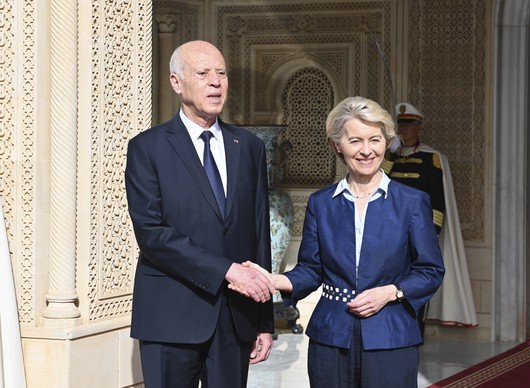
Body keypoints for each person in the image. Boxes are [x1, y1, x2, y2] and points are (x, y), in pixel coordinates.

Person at [232, 96, 445, 387]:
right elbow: (311, 269)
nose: (366, 150)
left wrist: (391, 292)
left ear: (387, 142)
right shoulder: (322, 203)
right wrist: (275, 280)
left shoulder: (412, 202)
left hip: (391, 335)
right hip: (331, 336)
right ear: (337, 145)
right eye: (355, 140)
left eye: (375, 139)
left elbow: (430, 270)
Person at [125, 40, 275, 388]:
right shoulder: (148, 148)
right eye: (203, 73)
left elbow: (258, 233)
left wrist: (264, 320)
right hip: (169, 316)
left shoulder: (249, 147)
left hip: (235, 318)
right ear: (176, 82)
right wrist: (226, 270)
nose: (216, 82)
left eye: (221, 73)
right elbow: (151, 233)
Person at [382, 102, 478, 330]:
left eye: (407, 125)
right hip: (388, 231)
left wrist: (431, 233)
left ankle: (415, 327)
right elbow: (377, 183)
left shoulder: (431, 157)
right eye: (399, 125)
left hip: (417, 231)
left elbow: (436, 198)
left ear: (418, 126)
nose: (403, 130)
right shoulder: (389, 157)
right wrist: (390, 154)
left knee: (415, 282)